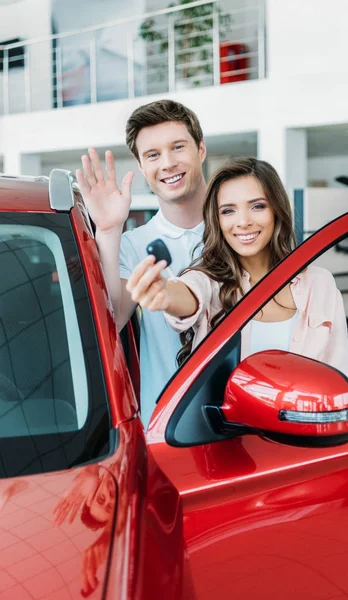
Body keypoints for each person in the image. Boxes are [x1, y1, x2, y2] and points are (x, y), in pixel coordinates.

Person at [126, 158, 348, 382]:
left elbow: (340, 377)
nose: (243, 221)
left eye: (257, 206)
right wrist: (165, 292)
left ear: (276, 210)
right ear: (216, 219)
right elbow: (188, 294)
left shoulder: (320, 283)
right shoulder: (209, 280)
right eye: (228, 211)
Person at [76, 100, 207, 428]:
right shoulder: (133, 244)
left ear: (201, 149)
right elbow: (114, 319)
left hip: (248, 424)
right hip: (168, 430)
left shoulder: (241, 232)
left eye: (178, 147)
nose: (168, 163)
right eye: (153, 155)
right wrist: (108, 230)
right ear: (140, 164)